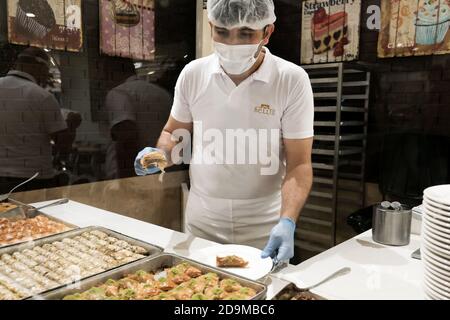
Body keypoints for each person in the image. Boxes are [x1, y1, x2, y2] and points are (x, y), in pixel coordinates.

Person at [135, 0, 314, 263]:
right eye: (222, 31)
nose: (232, 43)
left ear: (267, 32)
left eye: (245, 33)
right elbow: (173, 133)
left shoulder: (290, 79)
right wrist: (160, 155)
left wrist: (287, 220)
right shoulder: (193, 75)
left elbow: (299, 164)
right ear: (210, 26)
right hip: (202, 221)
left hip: (263, 225)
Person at [0, 47, 70, 193]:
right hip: (32, 178)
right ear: (39, 67)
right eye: (46, 70)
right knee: (33, 216)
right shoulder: (41, 96)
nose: (47, 75)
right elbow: (62, 139)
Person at [102, 58, 173, 179]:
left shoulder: (119, 93)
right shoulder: (163, 94)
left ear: (111, 73)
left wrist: (128, 183)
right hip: (166, 174)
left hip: (137, 177)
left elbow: (126, 136)